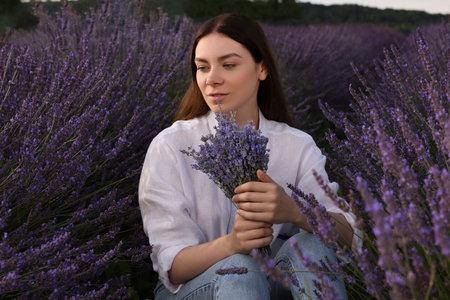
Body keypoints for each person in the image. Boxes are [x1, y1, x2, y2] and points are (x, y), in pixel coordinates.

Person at [138, 13, 358, 300]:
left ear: (262, 68)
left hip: (273, 280)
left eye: (228, 65)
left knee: (311, 244)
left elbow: (350, 237)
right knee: (239, 268)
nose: (212, 79)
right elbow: (173, 267)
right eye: (202, 67)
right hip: (195, 289)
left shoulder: (296, 145)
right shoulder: (172, 145)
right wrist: (233, 244)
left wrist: (295, 211)